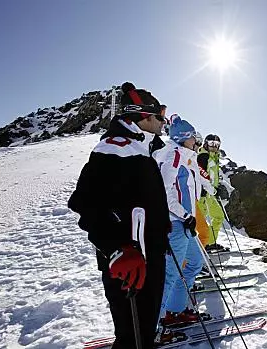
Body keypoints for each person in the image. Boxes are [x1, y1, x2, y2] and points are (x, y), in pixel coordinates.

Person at [68, 82, 171, 349]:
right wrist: (116, 249)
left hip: (148, 257)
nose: (164, 122)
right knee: (132, 340)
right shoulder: (115, 147)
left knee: (143, 335)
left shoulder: (142, 148)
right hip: (131, 264)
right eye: (160, 117)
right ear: (143, 117)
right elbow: (85, 202)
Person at [152, 114, 208, 327]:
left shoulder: (185, 156)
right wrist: (184, 216)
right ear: (184, 137)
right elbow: (165, 194)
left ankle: (174, 311)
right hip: (177, 224)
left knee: (194, 263)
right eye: (193, 136)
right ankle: (155, 327)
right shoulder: (173, 155)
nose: (196, 140)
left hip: (186, 223)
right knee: (170, 274)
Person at [197, 134, 227, 252]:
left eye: (217, 144)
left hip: (210, 193)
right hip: (202, 194)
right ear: (205, 143)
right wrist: (205, 190)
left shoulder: (214, 157)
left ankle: (209, 243)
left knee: (218, 217)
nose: (214, 146)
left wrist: (216, 187)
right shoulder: (203, 156)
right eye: (211, 143)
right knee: (201, 222)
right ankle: (200, 246)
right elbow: (200, 174)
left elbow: (212, 175)